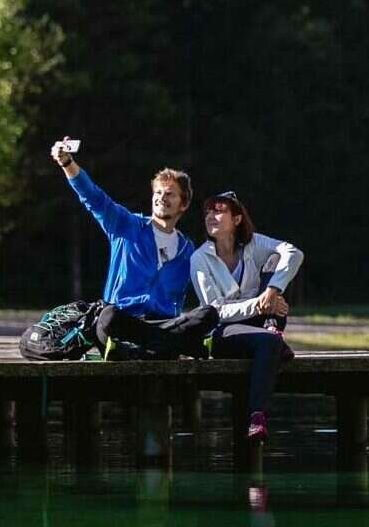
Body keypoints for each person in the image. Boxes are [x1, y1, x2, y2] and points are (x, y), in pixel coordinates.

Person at [53, 141, 217, 358]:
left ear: (183, 204)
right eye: (158, 192)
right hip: (122, 322)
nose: (161, 198)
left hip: (161, 324)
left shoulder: (188, 250)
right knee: (107, 316)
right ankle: (170, 347)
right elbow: (93, 197)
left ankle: (142, 350)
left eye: (169, 194)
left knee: (208, 314)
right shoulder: (126, 225)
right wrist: (67, 163)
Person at [190, 192, 303, 441]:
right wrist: (260, 305)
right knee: (269, 342)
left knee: (276, 259)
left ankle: (274, 330)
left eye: (218, 210)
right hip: (221, 331)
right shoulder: (199, 259)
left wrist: (273, 291)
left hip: (259, 321)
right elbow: (214, 310)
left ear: (238, 218)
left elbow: (294, 253)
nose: (211, 216)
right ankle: (257, 415)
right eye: (208, 211)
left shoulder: (254, 245)